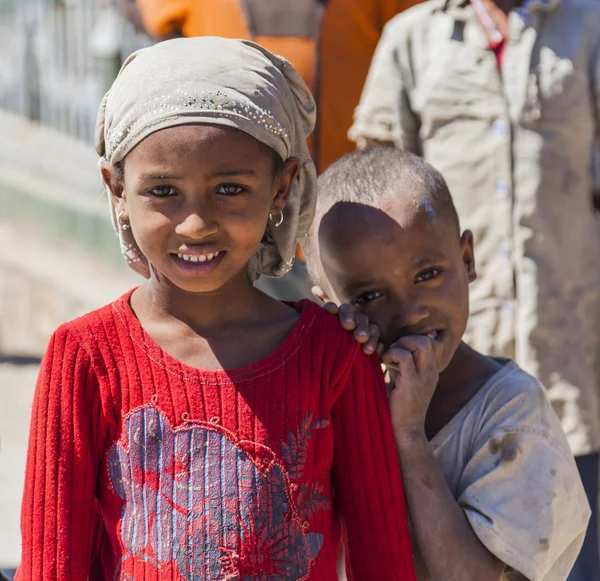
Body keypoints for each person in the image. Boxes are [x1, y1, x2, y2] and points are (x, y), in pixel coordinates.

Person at [15, 39, 417, 581]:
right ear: (117, 191)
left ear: (283, 187)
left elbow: (383, 561)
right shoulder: (85, 357)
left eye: (230, 188)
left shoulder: (335, 356)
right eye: (163, 190)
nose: (196, 224)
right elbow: (52, 566)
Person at [349, 1, 600, 578]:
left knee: (570, 549)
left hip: (574, 349)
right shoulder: (411, 39)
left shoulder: (587, 24)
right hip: (453, 368)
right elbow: (373, 187)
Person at [302, 147, 591, 581]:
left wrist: (408, 435)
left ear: (467, 259)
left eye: (428, 274)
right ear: (330, 308)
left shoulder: (512, 415)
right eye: (367, 297)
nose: (410, 312)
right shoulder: (330, 409)